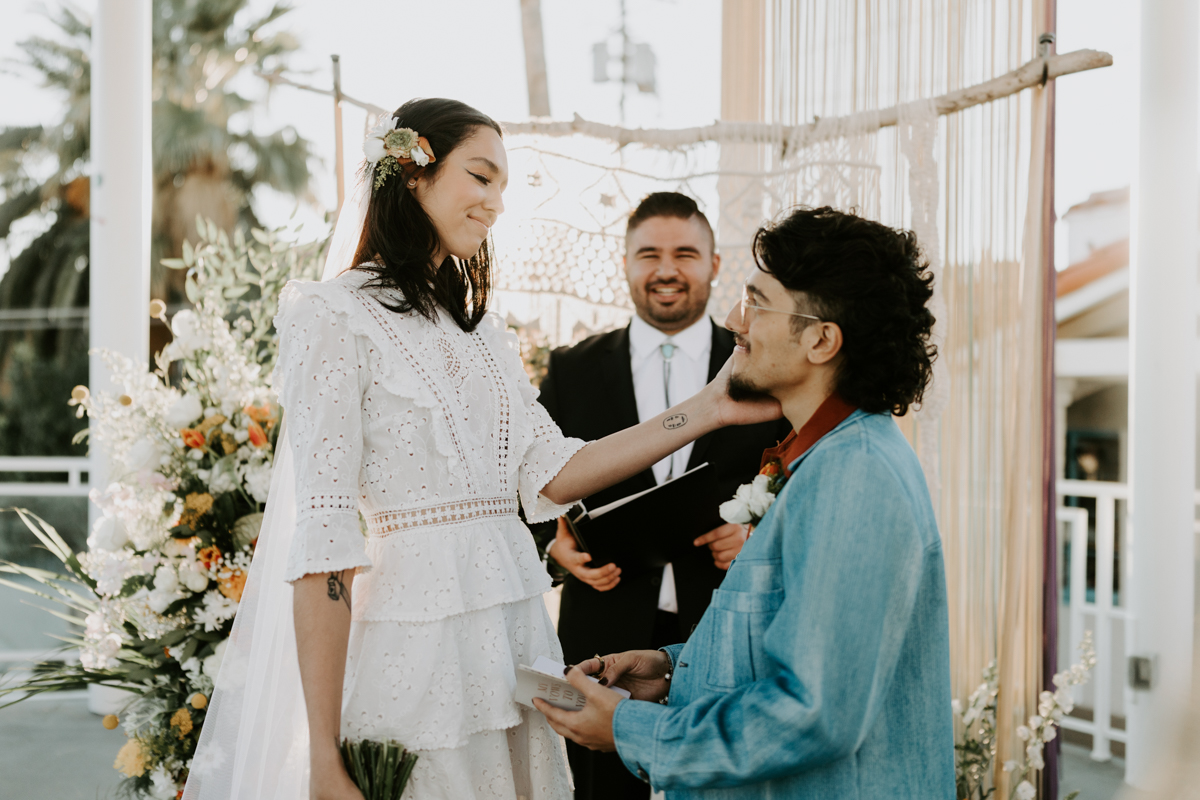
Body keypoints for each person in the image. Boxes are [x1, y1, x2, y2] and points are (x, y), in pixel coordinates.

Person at [182, 98, 779, 800]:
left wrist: (708, 408)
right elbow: (324, 542)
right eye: (481, 176)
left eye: (503, 186)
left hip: (511, 650)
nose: (496, 202)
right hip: (412, 659)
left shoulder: (484, 336)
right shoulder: (333, 315)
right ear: (413, 175)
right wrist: (319, 753)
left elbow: (553, 473)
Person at [535, 206, 956, 799]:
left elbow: (815, 712)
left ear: (820, 339)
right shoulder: (820, 455)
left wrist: (631, 729)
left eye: (757, 301)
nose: (735, 319)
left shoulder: (855, 475)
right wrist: (672, 669)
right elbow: (786, 640)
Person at [537, 192, 789, 799]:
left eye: (685, 253)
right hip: (603, 625)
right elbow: (527, 491)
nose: (667, 269)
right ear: (625, 264)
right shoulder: (572, 369)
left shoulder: (763, 362)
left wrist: (761, 531)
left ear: (714, 265)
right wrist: (555, 549)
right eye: (648, 254)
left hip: (728, 615)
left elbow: (799, 469)